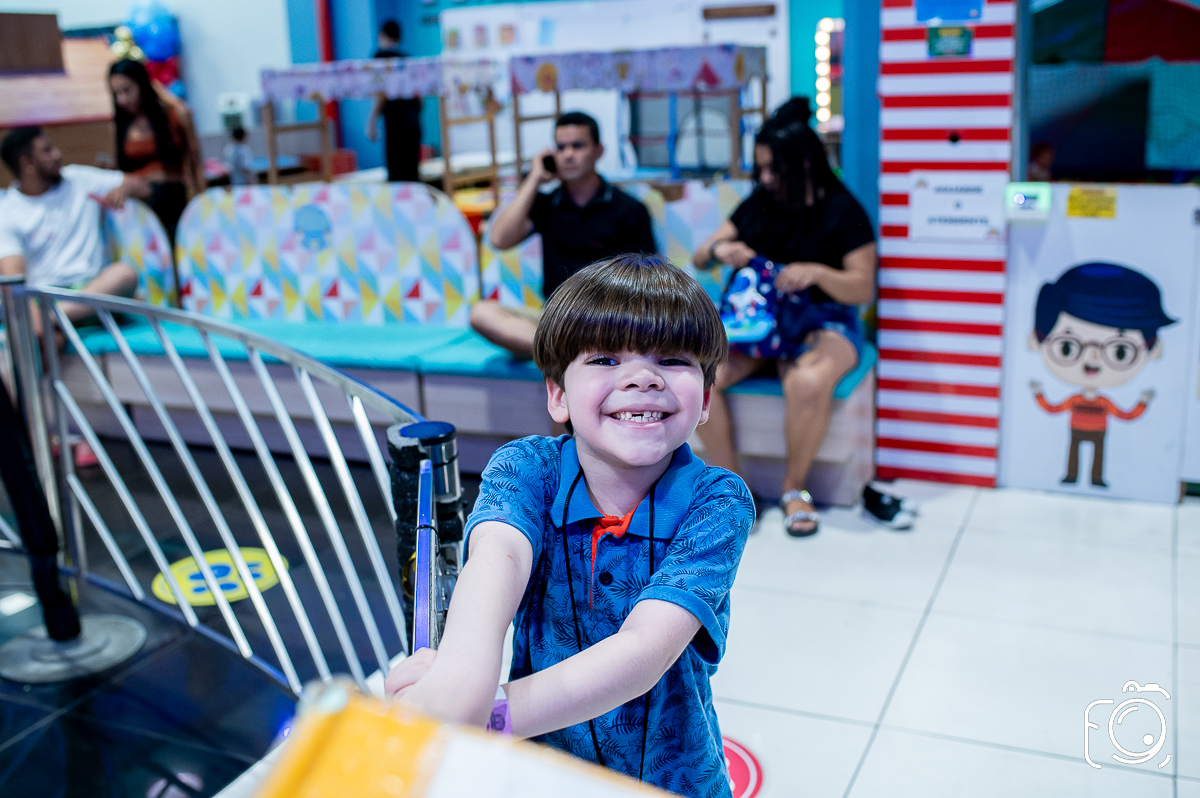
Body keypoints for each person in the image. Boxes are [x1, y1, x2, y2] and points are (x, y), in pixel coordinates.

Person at [385, 255, 755, 797]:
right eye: (605, 359)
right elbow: (496, 560)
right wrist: (457, 678)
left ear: (704, 399)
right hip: (543, 776)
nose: (642, 377)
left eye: (673, 359)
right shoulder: (527, 468)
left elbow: (641, 655)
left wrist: (488, 717)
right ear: (558, 395)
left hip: (675, 781)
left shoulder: (717, 502)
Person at [692, 97, 876, 538]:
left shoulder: (842, 210)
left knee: (808, 382)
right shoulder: (759, 204)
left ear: (805, 164)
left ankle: (796, 488)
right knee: (698, 378)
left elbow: (862, 287)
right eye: (762, 170)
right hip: (759, 323)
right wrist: (721, 251)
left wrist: (819, 273)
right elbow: (701, 255)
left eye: (775, 170)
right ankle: (732, 489)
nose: (767, 179)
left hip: (822, 321)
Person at [472, 112, 657, 358]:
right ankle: (575, 354)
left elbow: (647, 280)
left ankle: (573, 354)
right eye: (561, 147)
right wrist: (535, 178)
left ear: (598, 150)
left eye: (577, 146)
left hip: (607, 321)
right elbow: (499, 239)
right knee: (482, 314)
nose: (568, 154)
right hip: (556, 318)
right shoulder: (548, 203)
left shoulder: (628, 209)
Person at [1028, 262, 1175, 487]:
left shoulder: (1104, 402)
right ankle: (1072, 476)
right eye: (1067, 347)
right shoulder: (1075, 400)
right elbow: (1054, 408)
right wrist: (1038, 393)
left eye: (1120, 351)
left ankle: (1096, 478)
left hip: (1099, 432)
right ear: (1037, 341)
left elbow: (1125, 415)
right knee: (1074, 452)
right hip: (1076, 429)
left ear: (1153, 350)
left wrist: (1143, 402)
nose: (1093, 359)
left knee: (1098, 455)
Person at [0, 127, 149, 336]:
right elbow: (14, 278)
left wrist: (122, 189)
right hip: (43, 296)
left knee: (124, 275)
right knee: (35, 325)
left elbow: (142, 186)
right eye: (47, 151)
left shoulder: (78, 179)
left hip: (92, 293)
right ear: (27, 163)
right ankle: (48, 325)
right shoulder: (7, 211)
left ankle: (52, 318)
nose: (57, 154)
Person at [108, 58, 204, 248]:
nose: (122, 100)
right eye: (116, 93)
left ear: (143, 84)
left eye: (127, 90)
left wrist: (202, 205)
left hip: (174, 203)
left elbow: (196, 165)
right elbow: (121, 170)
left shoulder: (173, 116)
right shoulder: (121, 127)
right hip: (139, 208)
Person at [367, 20, 422, 182]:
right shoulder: (409, 59)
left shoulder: (381, 57)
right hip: (413, 123)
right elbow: (420, 97)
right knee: (412, 174)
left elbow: (380, 92)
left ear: (382, 36)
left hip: (395, 124)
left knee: (397, 176)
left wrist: (371, 122)